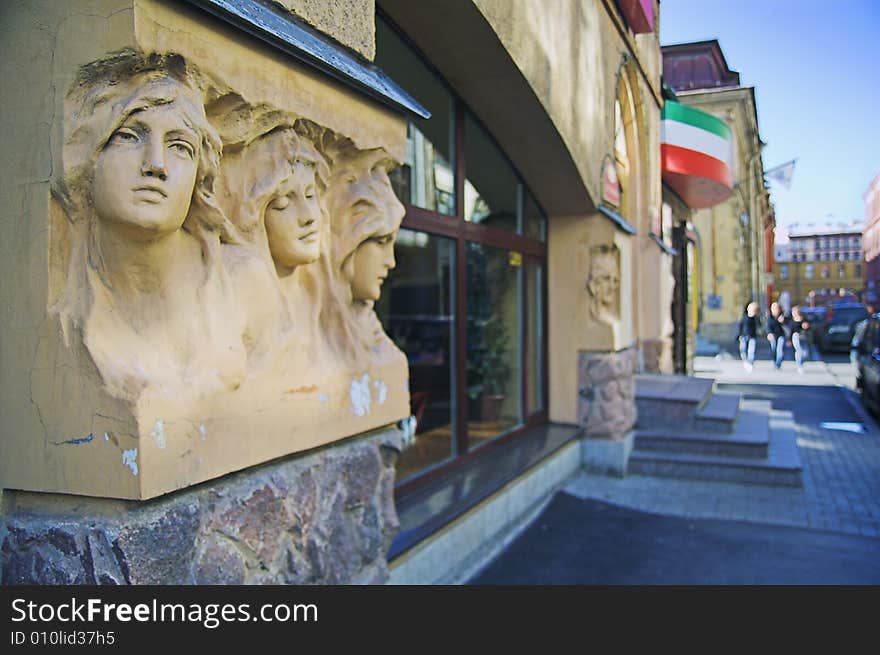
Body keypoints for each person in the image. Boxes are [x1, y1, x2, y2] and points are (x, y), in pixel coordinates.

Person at [54, 52, 248, 405]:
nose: (156, 165)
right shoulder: (63, 299)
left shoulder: (243, 282)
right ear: (87, 161)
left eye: (179, 147)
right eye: (129, 137)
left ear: (199, 178)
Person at [737, 301, 761, 372]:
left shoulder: (756, 319)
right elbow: (740, 327)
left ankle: (750, 362)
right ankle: (745, 361)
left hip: (752, 336)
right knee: (743, 349)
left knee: (751, 350)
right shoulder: (744, 318)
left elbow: (759, 326)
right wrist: (739, 335)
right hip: (744, 336)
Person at [788, 305, 810, 374]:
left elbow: (809, 327)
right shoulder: (792, 321)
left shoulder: (804, 319)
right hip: (796, 337)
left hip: (804, 336)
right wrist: (789, 340)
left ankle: (801, 362)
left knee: (806, 353)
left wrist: (806, 326)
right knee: (799, 350)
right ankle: (799, 365)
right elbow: (790, 331)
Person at [766, 302, 786, 369]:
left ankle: (778, 363)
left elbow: (789, 327)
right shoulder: (769, 318)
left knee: (780, 350)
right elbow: (768, 327)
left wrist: (783, 322)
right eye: (774, 308)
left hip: (781, 335)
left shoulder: (783, 317)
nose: (776, 310)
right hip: (773, 336)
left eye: (777, 308)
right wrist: (769, 333)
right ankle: (774, 360)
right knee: (774, 349)